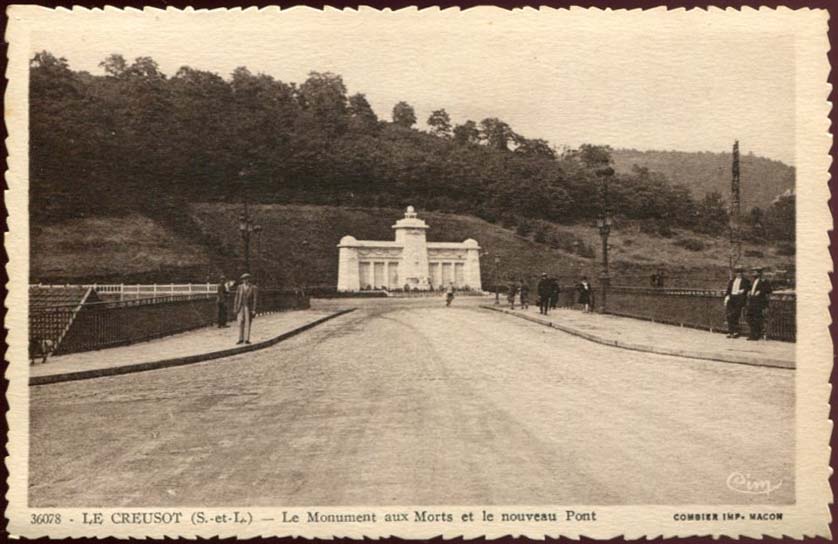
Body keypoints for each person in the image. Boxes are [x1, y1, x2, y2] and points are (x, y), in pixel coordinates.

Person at [746, 266, 773, 341]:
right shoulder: (753, 281)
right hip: (752, 301)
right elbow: (750, 288)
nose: (753, 274)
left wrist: (761, 291)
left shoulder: (764, 281)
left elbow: (769, 290)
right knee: (749, 317)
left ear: (759, 273)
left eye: (755, 272)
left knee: (757, 318)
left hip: (759, 302)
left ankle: (755, 335)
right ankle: (753, 333)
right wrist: (749, 291)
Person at [724, 266, 751, 338]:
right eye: (737, 272)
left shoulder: (746, 281)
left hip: (739, 299)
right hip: (731, 298)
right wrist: (726, 297)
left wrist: (743, 290)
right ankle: (730, 331)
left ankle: (735, 331)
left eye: (740, 272)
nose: (739, 274)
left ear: (742, 273)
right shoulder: (732, 281)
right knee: (729, 315)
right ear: (735, 273)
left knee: (735, 314)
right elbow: (728, 290)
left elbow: (748, 288)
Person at [234, 272, 258, 344]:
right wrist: (235, 308)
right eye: (244, 279)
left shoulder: (253, 287)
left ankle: (246, 339)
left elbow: (255, 299)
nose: (245, 280)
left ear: (249, 279)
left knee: (247, 322)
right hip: (240, 307)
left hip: (248, 307)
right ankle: (240, 338)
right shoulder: (239, 287)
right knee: (240, 322)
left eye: (246, 279)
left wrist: (254, 309)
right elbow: (236, 298)